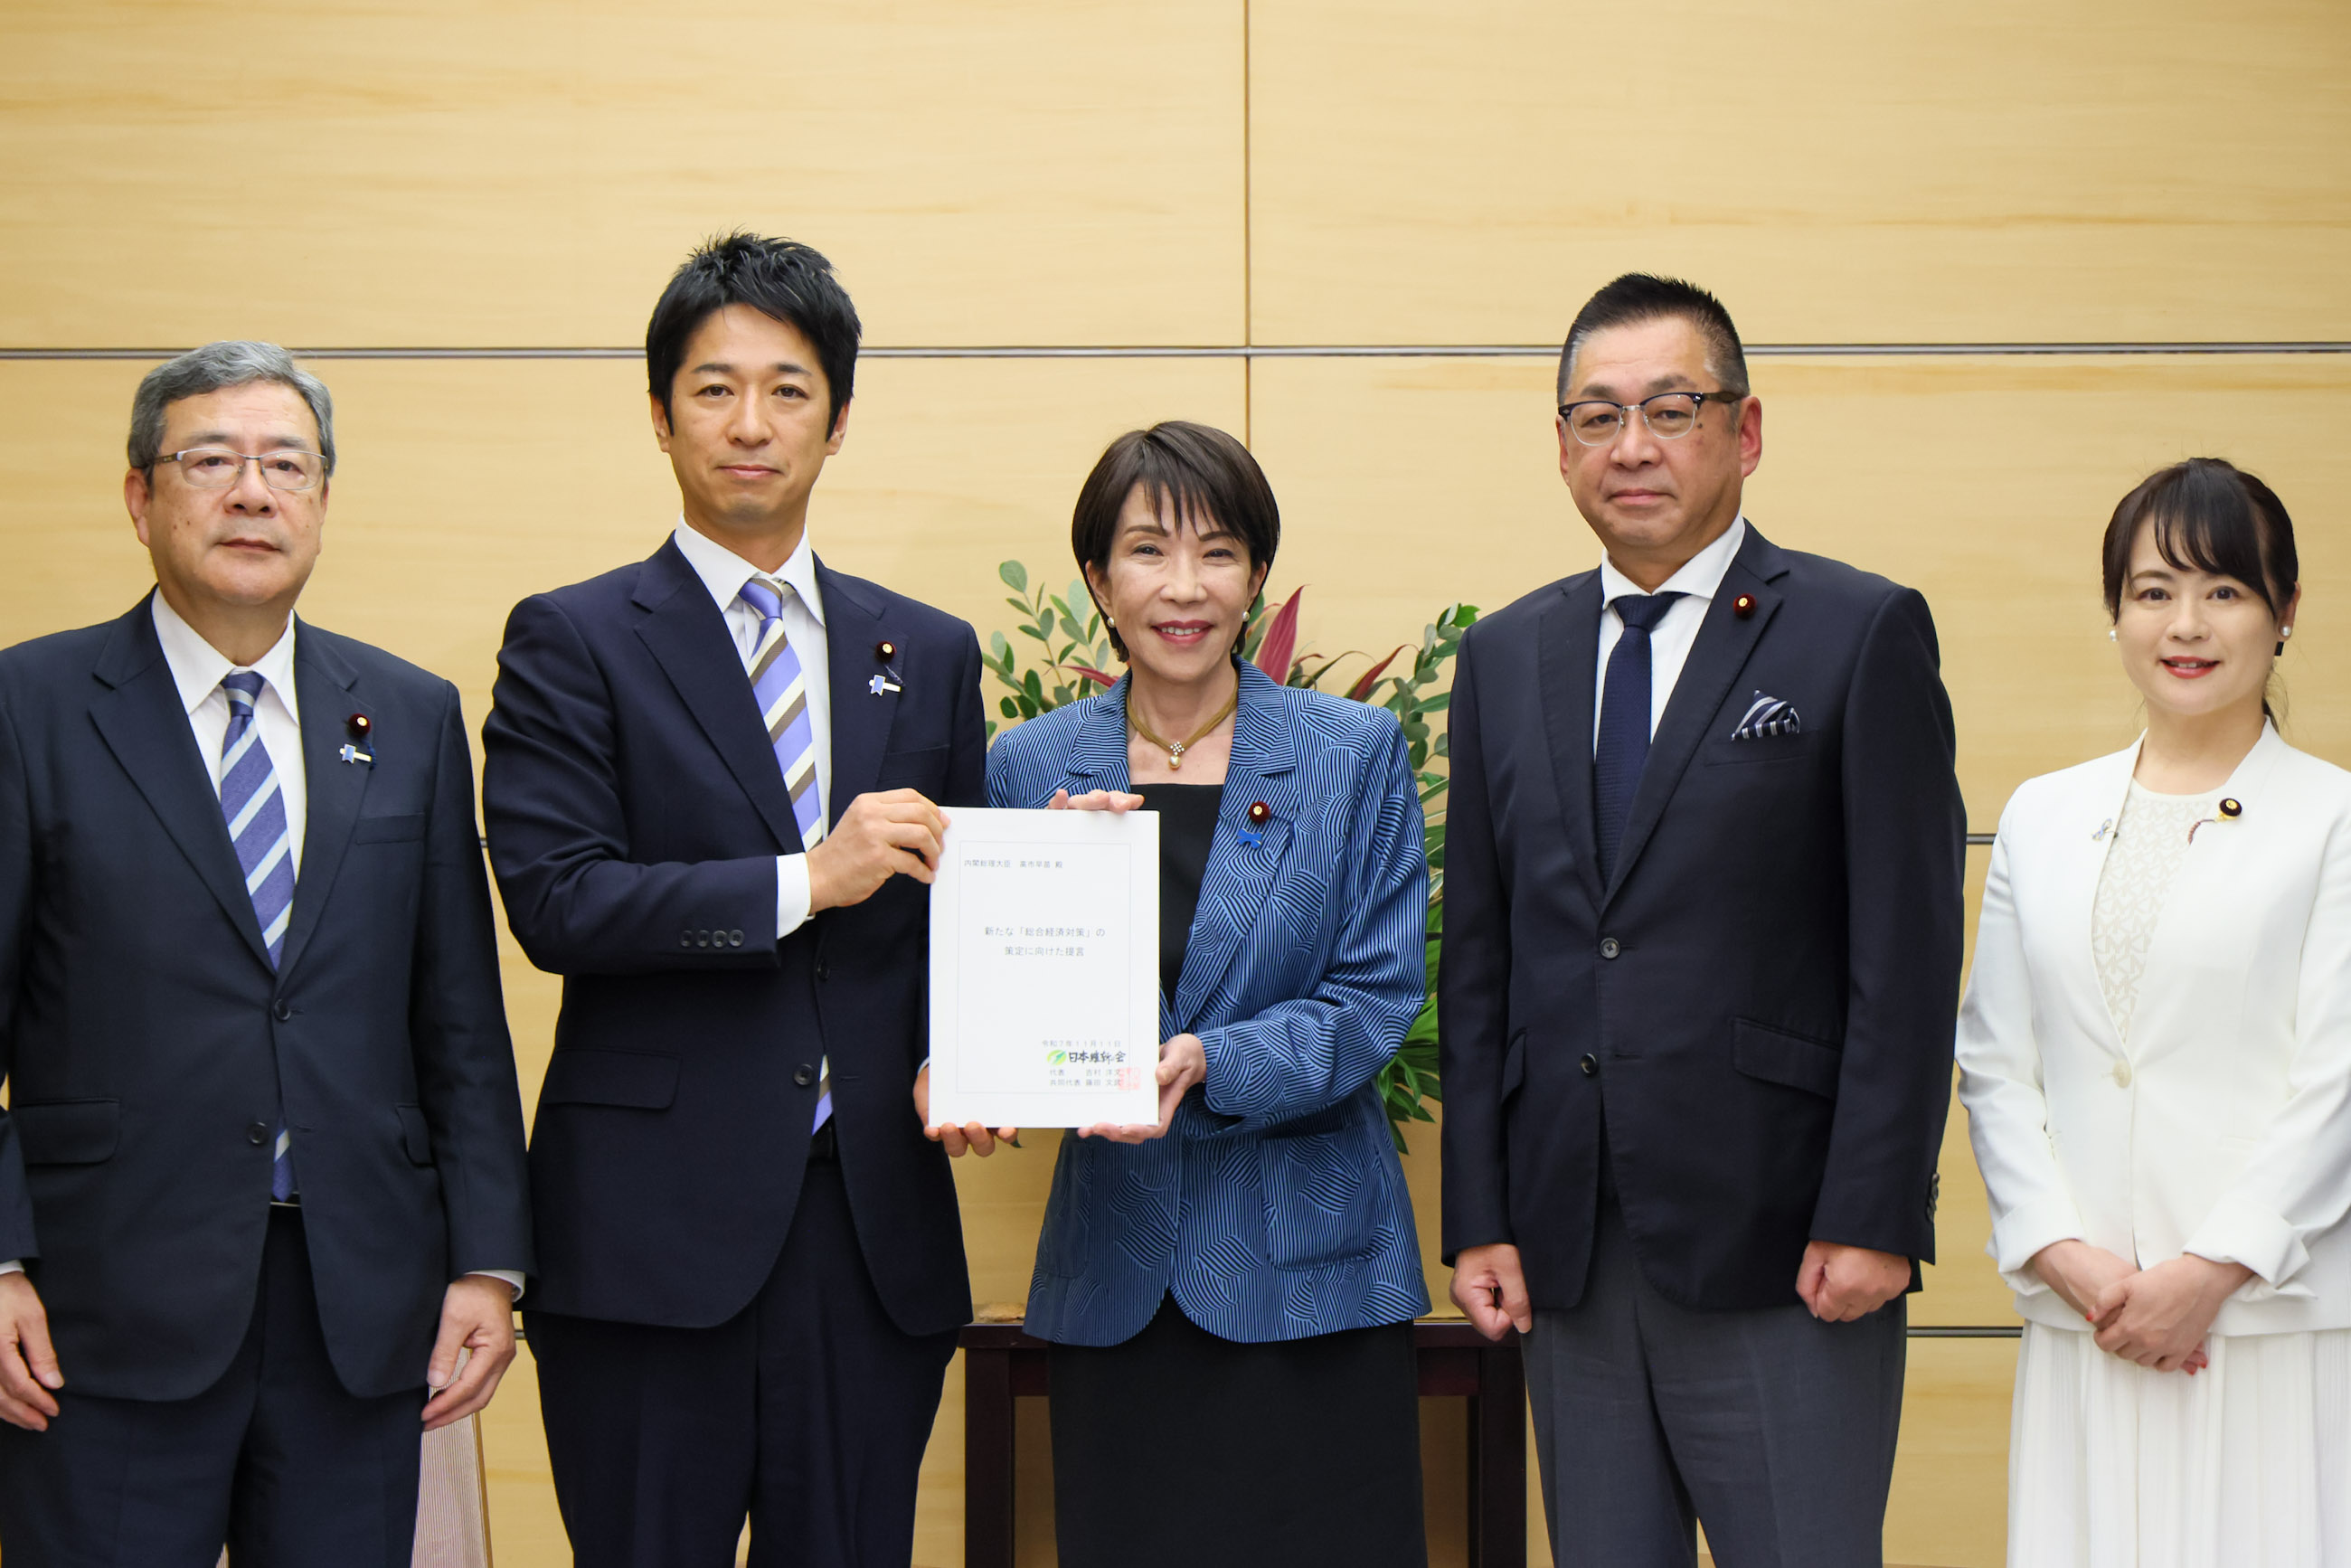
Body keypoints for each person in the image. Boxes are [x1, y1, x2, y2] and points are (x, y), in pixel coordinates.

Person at [481, 233, 1000, 1568]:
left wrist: (990, 1030)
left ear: (838, 419)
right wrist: (801, 880)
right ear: (660, 416)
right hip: (650, 1234)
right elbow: (558, 899)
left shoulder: (927, 649)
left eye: (788, 388)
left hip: (871, 1229)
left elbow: (959, 907)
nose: (751, 423)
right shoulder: (575, 635)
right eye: (714, 389)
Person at [1438, 274, 1966, 1567]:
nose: (1633, 445)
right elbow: (1487, 961)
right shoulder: (1507, 657)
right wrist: (1480, 1210)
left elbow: (1904, 954)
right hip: (1571, 1239)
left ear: (1748, 428)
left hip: (1790, 1238)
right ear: (1560, 444)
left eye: (1671, 409)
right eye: (1598, 414)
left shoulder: (1856, 632)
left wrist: (1876, 1209)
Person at [0, 342, 534, 1567]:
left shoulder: (404, 715)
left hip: (357, 1306)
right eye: (211, 460)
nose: (254, 492)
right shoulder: (28, 706)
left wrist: (488, 1263)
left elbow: (456, 1018)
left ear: (324, 501)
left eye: (287, 464)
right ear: (140, 496)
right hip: (102, 1309)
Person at [986, 420, 1432, 1568]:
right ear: (1096, 578)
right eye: (1145, 552)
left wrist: (1211, 1063)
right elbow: (998, 990)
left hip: (1311, 1276)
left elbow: (1374, 996)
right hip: (1116, 1270)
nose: (1182, 588)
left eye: (1218, 552)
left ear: (1255, 578)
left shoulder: (1348, 752)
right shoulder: (1029, 769)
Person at [1957, 458, 2351, 1565]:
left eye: (2222, 590)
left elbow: (2337, 1079)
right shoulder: (2040, 814)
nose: (2185, 624)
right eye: (2151, 590)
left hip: (2265, 1322)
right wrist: (2057, 1252)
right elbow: (1993, 1061)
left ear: (2284, 612)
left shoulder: (2330, 817)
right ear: (2113, 612)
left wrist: (2210, 1270)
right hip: (2088, 1319)